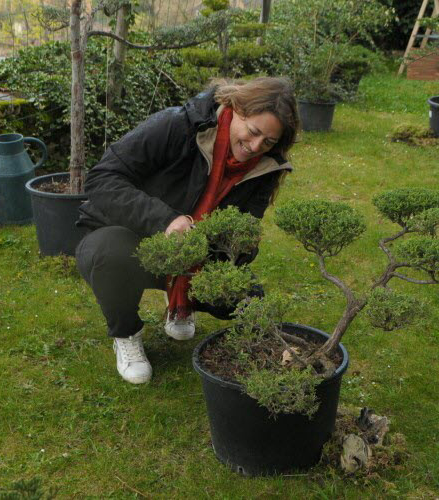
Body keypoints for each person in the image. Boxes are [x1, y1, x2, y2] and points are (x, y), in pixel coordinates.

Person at [75, 77, 299, 384]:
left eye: (269, 142)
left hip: (199, 256)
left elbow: (247, 231)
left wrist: (238, 246)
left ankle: (182, 303)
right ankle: (127, 332)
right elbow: (102, 179)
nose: (255, 147)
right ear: (235, 109)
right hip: (133, 239)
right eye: (254, 132)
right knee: (106, 255)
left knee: (249, 298)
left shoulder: (266, 167)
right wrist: (166, 220)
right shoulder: (177, 125)